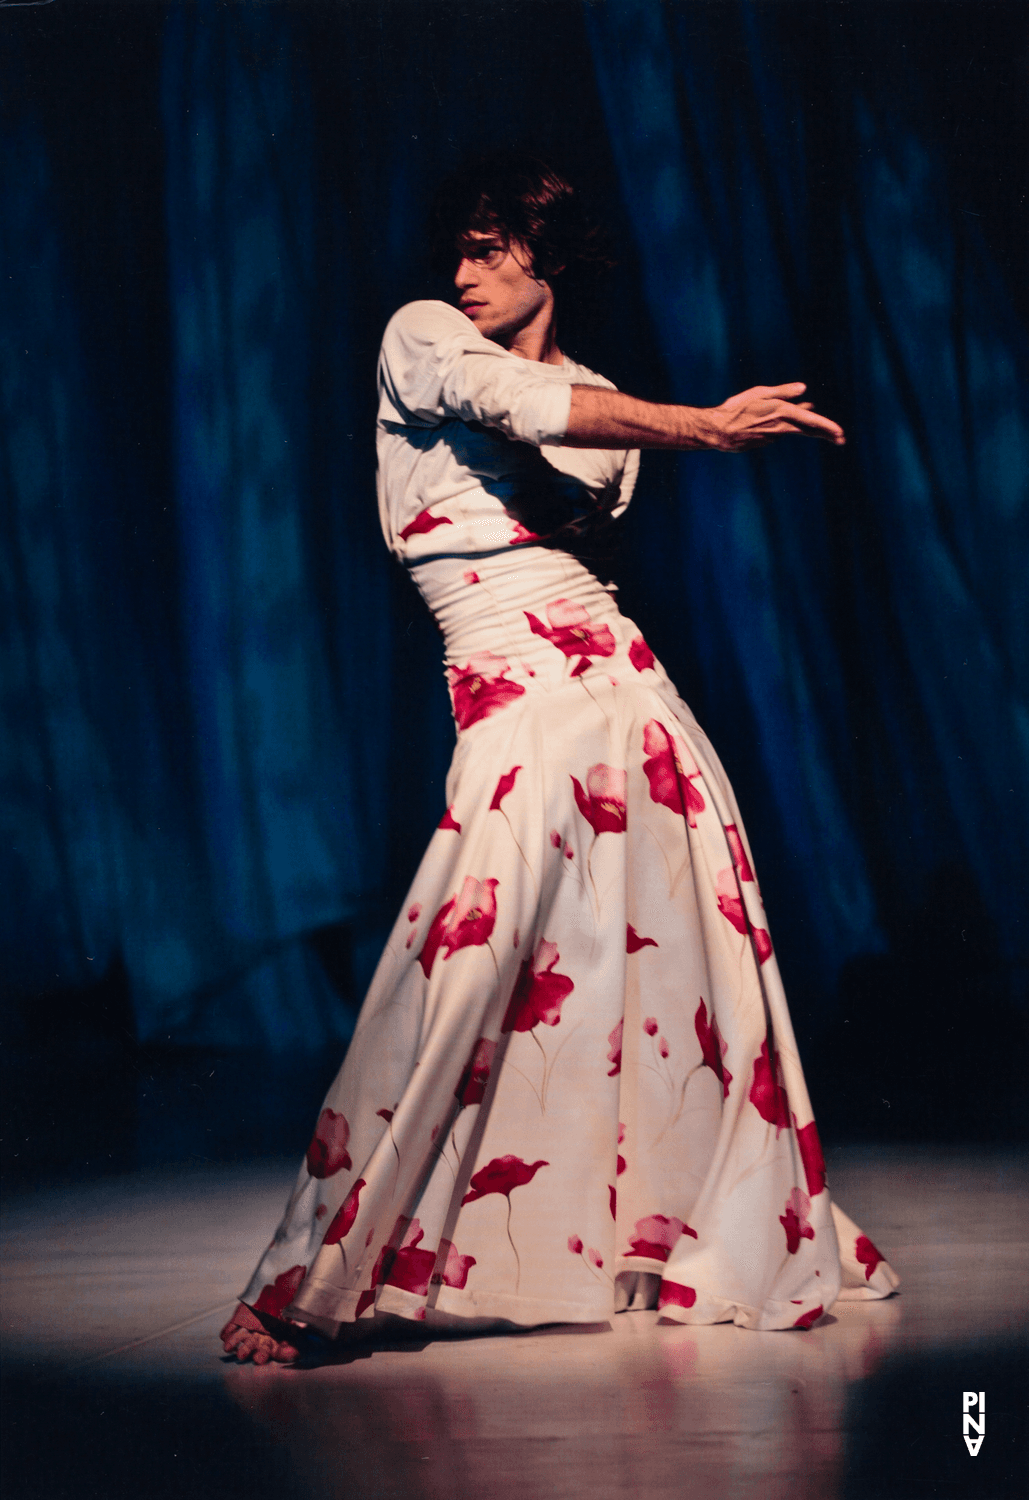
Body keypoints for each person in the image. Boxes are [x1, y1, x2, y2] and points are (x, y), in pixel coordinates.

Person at [221, 152, 897, 1365]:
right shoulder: (422, 336)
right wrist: (704, 420)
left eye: (492, 248)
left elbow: (574, 455)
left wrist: (652, 426)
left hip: (623, 685)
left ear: (550, 256)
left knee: (678, 972)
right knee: (466, 963)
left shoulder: (602, 405)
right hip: (512, 692)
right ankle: (316, 1266)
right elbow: (515, 412)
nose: (466, 271)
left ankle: (661, 1237)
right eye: (462, 248)